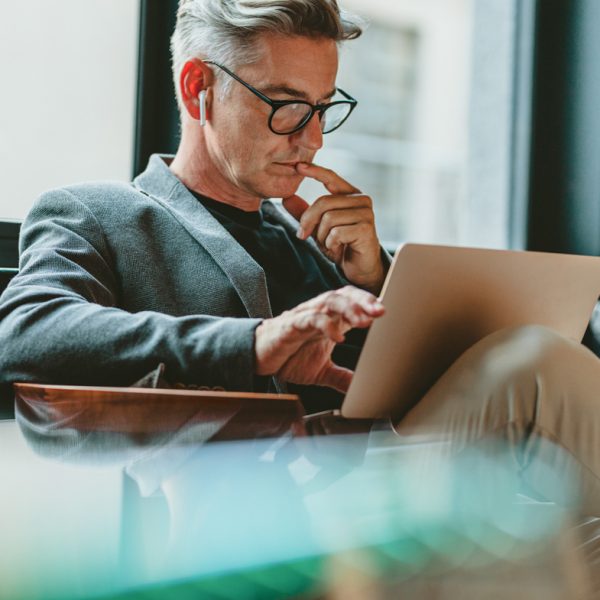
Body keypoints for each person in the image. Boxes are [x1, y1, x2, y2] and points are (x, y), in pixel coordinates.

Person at [0, 0, 599, 513]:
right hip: (264, 508)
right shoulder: (97, 214)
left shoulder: (322, 242)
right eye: (286, 104)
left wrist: (382, 278)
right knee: (535, 363)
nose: (312, 138)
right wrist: (253, 344)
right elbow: (24, 335)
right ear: (197, 88)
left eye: (323, 107)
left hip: (404, 489)